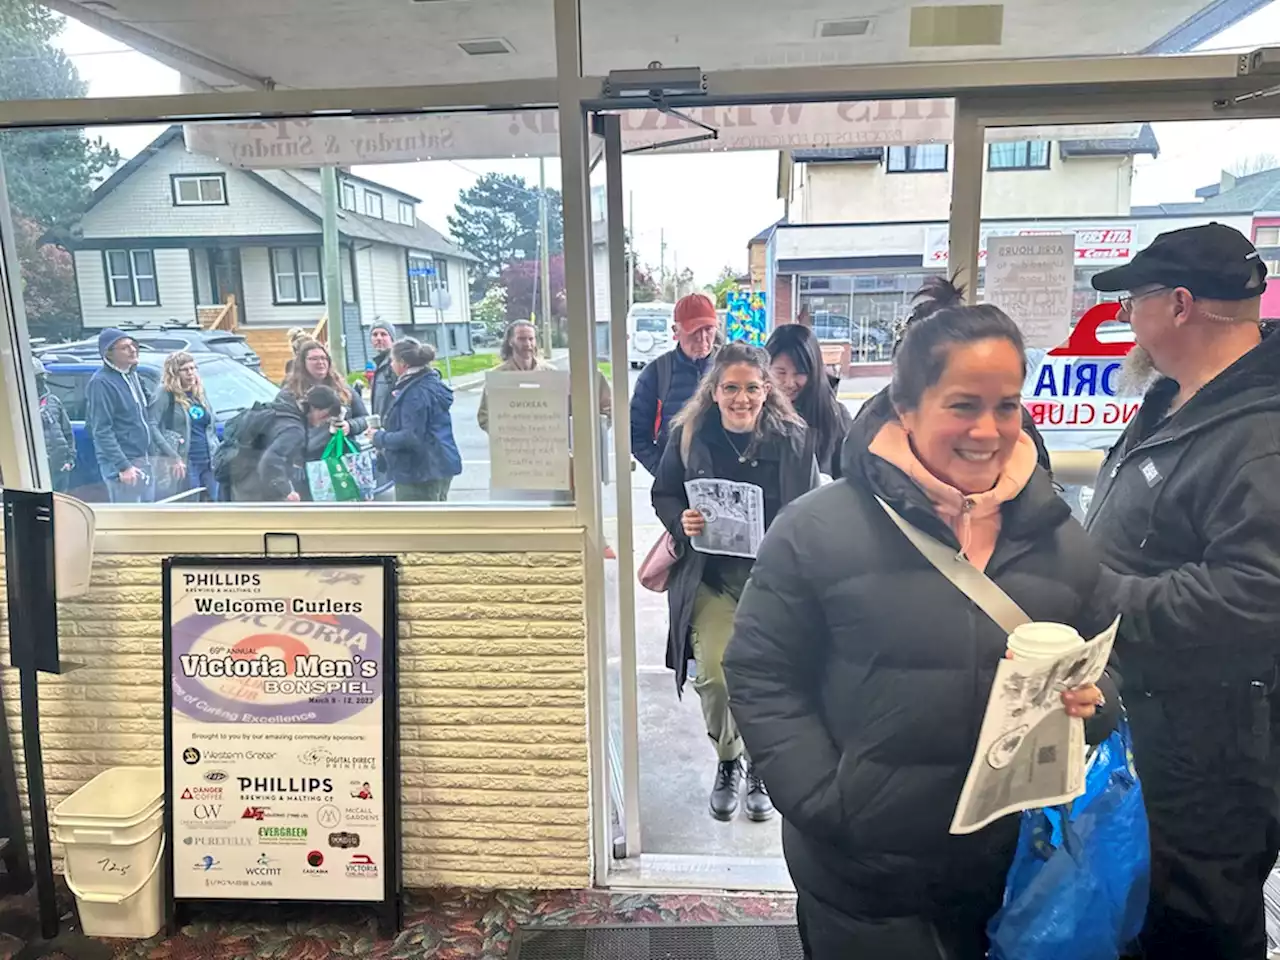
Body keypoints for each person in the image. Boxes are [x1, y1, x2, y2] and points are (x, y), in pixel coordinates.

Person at [723, 278, 1115, 959]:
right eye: (963, 405)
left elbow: (1109, 668)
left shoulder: (1059, 538)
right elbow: (760, 673)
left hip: (1005, 867)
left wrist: (1095, 701)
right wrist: (824, 799)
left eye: (1006, 406)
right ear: (904, 407)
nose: (988, 430)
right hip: (861, 875)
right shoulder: (818, 530)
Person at [1085, 222, 1280, 959]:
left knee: (1198, 927)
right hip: (1156, 730)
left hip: (1212, 758)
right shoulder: (1179, 400)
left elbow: (1255, 595)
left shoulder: (1260, 434)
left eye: (1134, 300)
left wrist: (1100, 594)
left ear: (1180, 306)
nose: (1127, 316)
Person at [650, 341, 819, 824]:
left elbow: (810, 507)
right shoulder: (688, 435)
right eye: (730, 388)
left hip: (772, 585)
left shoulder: (792, 439)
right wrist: (681, 519)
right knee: (718, 677)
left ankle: (761, 764)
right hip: (711, 579)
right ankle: (729, 760)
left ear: (766, 389)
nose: (740, 398)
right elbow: (664, 492)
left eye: (750, 388)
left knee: (769, 680)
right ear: (714, 390)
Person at [85, 328, 181, 503]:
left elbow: (149, 414)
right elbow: (101, 431)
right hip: (124, 466)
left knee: (148, 518)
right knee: (129, 520)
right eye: (125, 347)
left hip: (144, 460)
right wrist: (123, 467)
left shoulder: (133, 376)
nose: (133, 350)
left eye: (134, 345)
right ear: (109, 354)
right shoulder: (101, 383)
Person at [630, 293, 719, 476]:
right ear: (675, 331)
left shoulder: (729, 367)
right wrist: (664, 473)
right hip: (675, 485)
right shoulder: (656, 373)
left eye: (708, 330)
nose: (702, 338)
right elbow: (636, 436)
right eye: (694, 331)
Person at [477, 319, 613, 431]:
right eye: (521, 339)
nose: (528, 344)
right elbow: (484, 416)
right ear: (510, 341)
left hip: (547, 451)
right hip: (513, 452)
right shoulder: (497, 377)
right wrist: (505, 435)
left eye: (531, 339)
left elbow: (562, 412)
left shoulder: (551, 373)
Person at [371, 338, 462, 502]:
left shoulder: (414, 393)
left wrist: (378, 437)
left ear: (403, 364)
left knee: (416, 524)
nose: (391, 365)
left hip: (418, 471)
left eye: (393, 360)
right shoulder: (431, 383)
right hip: (439, 464)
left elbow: (410, 437)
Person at [765, 324, 853, 478]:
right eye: (780, 372)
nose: (789, 382)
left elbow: (847, 479)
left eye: (800, 373)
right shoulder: (754, 412)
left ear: (814, 373)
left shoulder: (835, 415)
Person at [230, 385, 342, 502]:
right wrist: (286, 491)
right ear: (315, 408)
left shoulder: (286, 409)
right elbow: (270, 460)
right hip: (254, 486)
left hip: (241, 476)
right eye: (326, 416)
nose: (325, 421)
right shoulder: (294, 430)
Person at [283, 339, 371, 467]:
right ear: (302, 363)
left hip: (343, 461)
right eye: (314, 359)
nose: (320, 362)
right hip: (309, 463)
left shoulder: (343, 389)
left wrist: (349, 426)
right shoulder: (290, 392)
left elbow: (364, 418)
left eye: (324, 358)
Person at [152, 352, 220, 501]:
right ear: (175, 372)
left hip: (209, 460)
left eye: (193, 368)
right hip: (185, 460)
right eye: (185, 369)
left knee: (215, 503)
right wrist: (172, 457)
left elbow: (210, 426)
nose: (190, 373)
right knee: (190, 504)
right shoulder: (165, 393)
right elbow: (152, 426)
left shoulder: (199, 392)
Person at [34, 359, 75, 492]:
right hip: (34, 471)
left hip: (60, 468)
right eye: (37, 378)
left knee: (61, 506)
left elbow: (67, 432)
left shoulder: (53, 401)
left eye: (42, 376)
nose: (42, 381)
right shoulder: (15, 405)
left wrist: (70, 459)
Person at [367, 321, 398, 419]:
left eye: (383, 334)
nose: (379, 338)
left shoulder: (397, 363)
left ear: (392, 339)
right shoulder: (379, 364)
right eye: (375, 335)